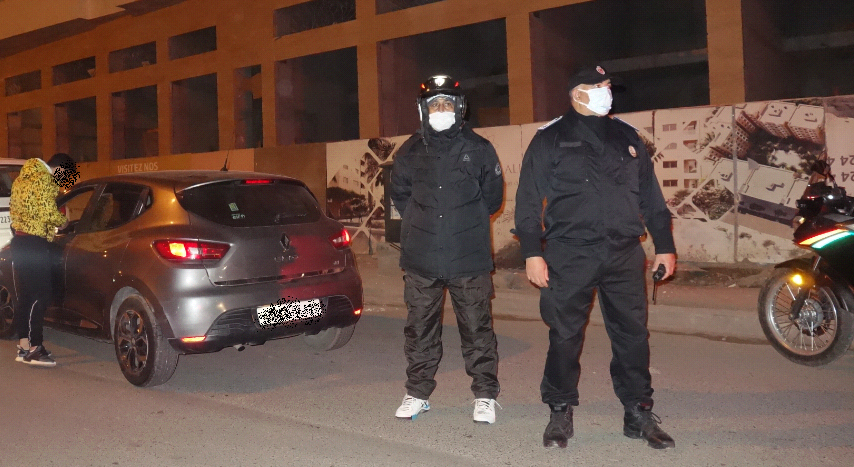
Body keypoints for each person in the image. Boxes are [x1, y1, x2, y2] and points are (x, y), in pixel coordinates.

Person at [514, 65, 677, 449]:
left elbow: (651, 198)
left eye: (608, 85)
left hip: (624, 252)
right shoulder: (550, 138)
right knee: (565, 335)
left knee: (633, 335)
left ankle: (638, 411)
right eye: (599, 85)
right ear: (577, 93)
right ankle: (559, 409)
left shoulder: (627, 136)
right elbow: (527, 201)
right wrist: (532, 253)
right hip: (569, 253)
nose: (607, 91)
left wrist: (665, 246)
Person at [390, 75, 504, 424]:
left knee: (477, 329)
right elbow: (401, 196)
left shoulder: (480, 148)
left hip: (468, 257)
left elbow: (493, 198)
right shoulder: (409, 151)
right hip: (421, 258)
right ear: (423, 110)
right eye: (434, 104)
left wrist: (461, 222)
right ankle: (417, 394)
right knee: (419, 329)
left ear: (459, 108)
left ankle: (484, 396)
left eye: (447, 103)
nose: (441, 109)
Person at [10, 153, 74, 367]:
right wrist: (63, 222)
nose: (64, 180)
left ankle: (24, 346)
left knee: (27, 296)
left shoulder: (22, 178)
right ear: (60, 168)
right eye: (65, 174)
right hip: (35, 244)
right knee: (41, 295)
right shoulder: (45, 179)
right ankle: (35, 348)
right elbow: (48, 212)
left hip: (20, 242)